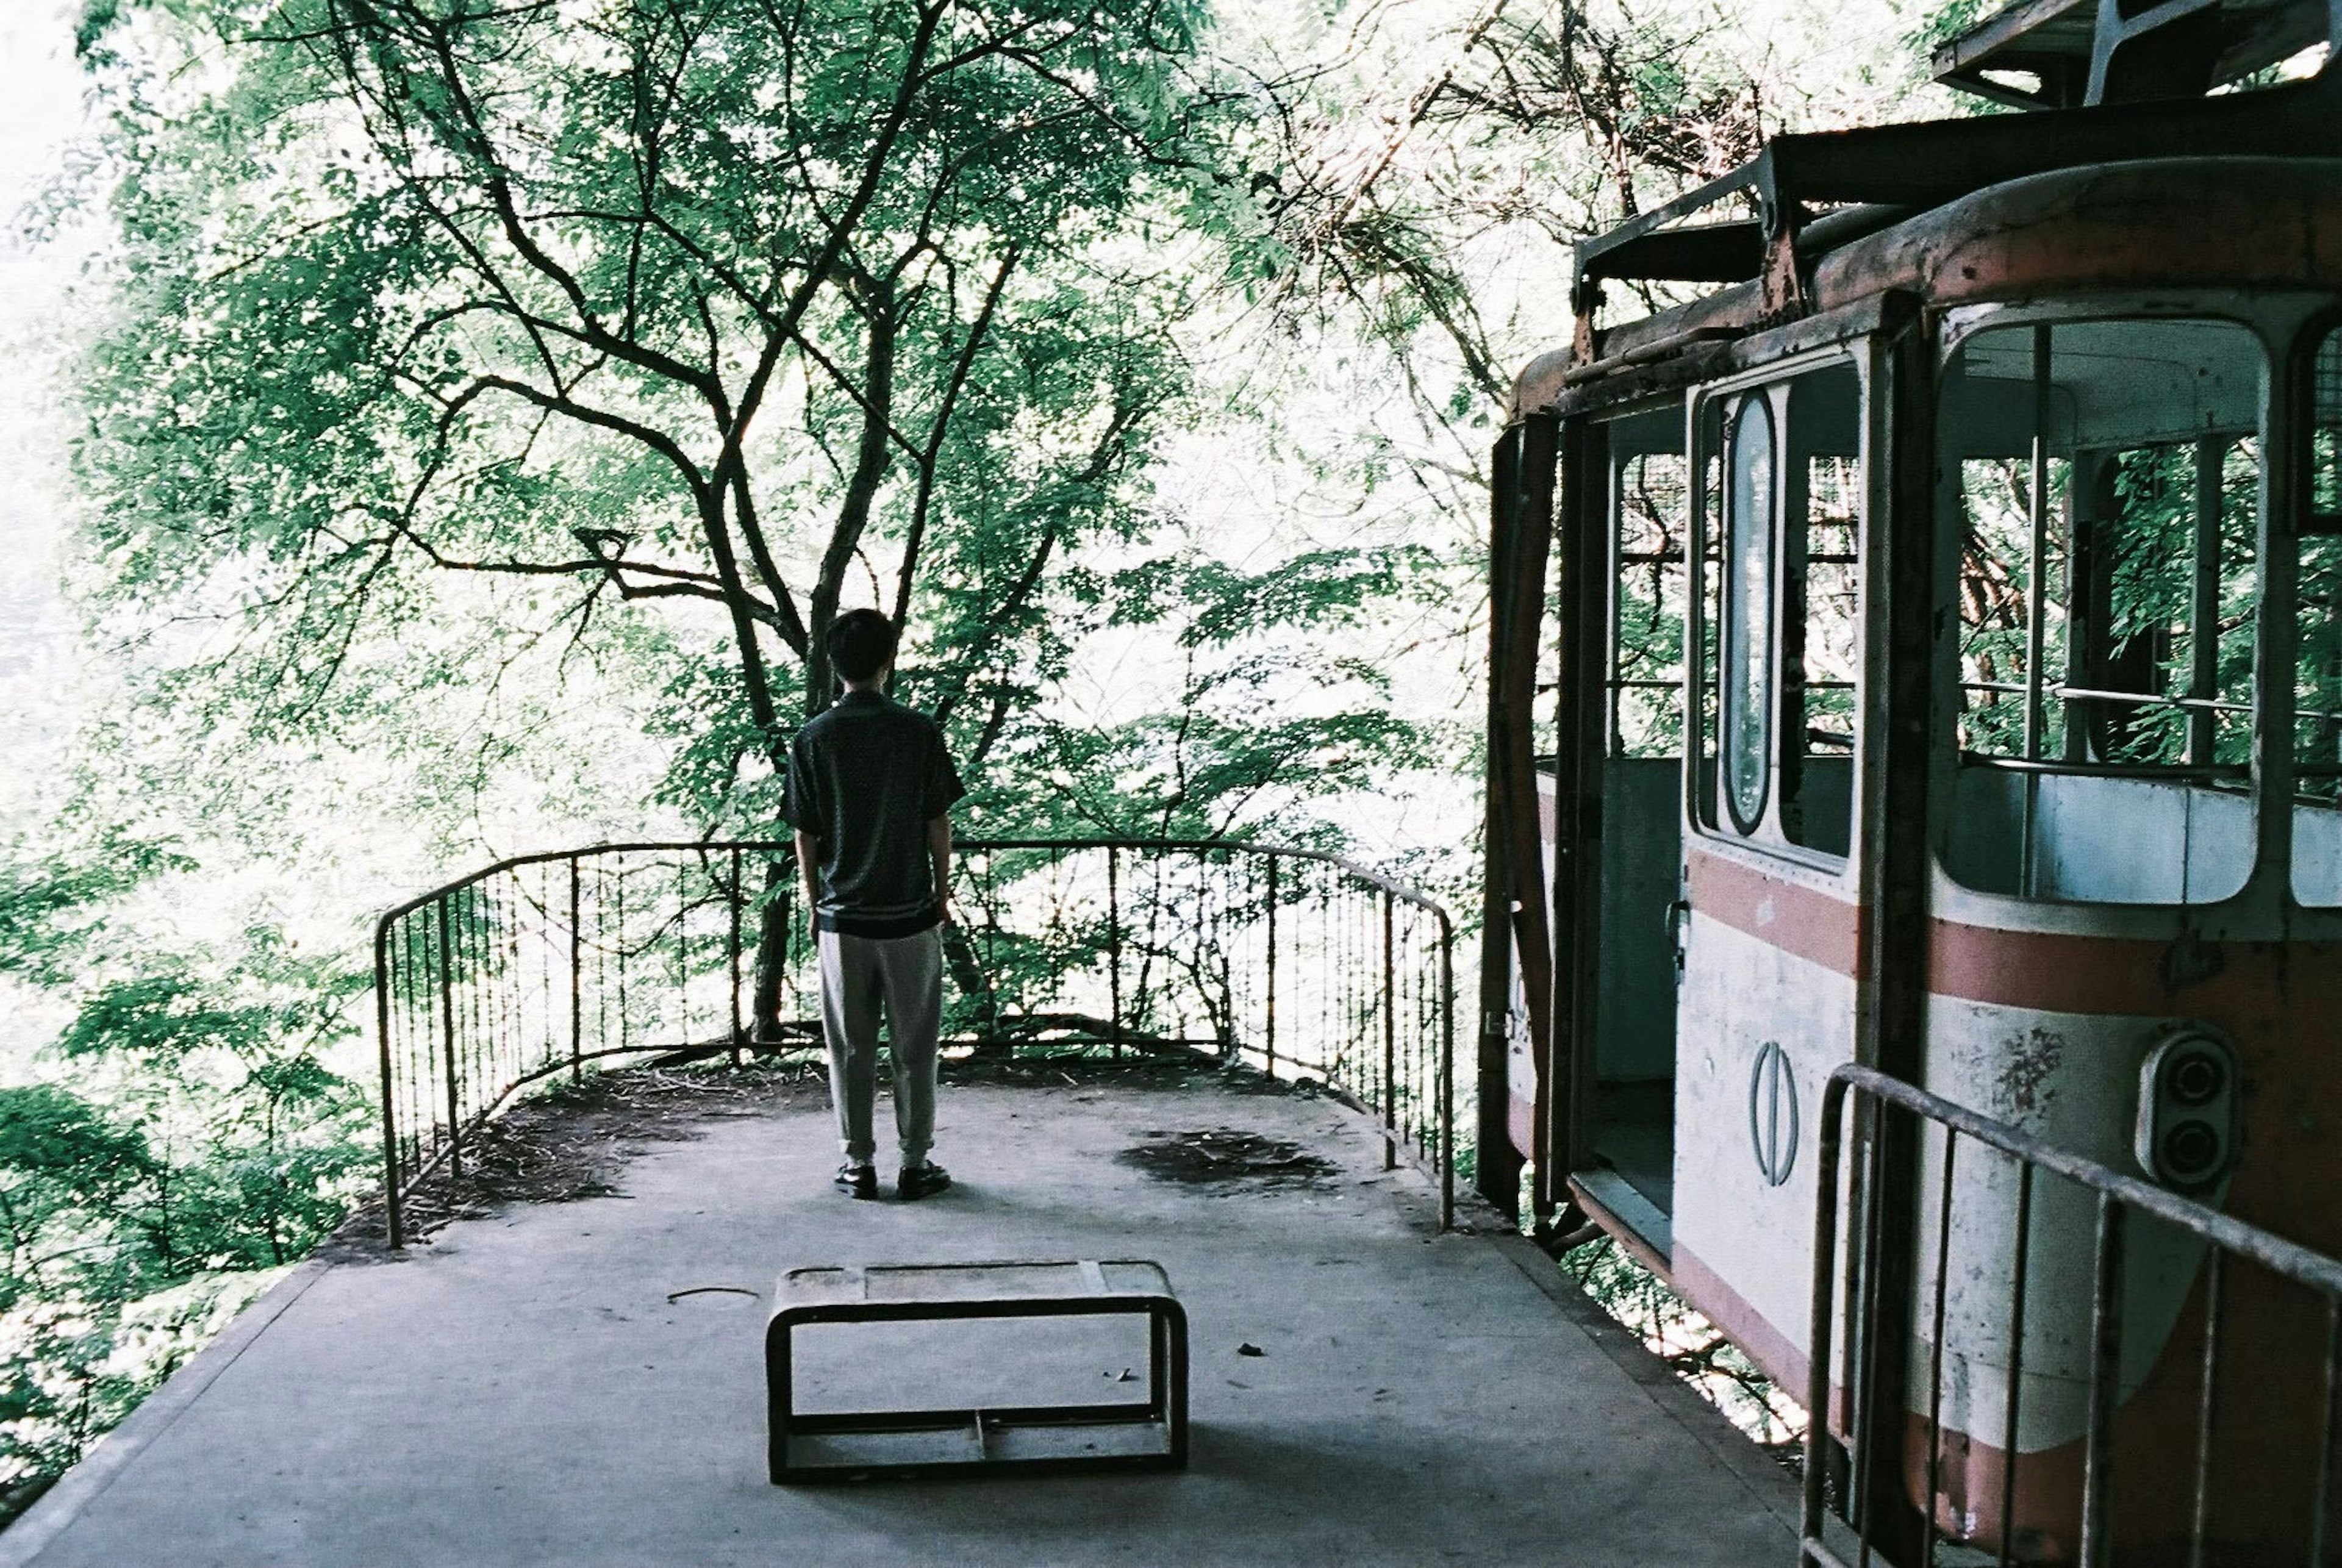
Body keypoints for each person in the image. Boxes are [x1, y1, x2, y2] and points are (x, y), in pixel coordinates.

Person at [782, 608, 967, 1201]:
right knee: (916, 1047)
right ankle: (916, 1164)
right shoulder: (918, 732)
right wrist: (940, 894)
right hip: (910, 916)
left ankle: (858, 1165)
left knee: (851, 1048)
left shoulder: (813, 739)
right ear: (890, 660)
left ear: (833, 664)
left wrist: (816, 904)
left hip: (843, 920)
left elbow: (805, 835)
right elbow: (937, 820)